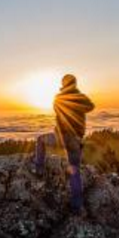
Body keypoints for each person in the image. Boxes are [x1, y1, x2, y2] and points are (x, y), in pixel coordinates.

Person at [34, 74, 95, 214]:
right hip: (76, 140)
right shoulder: (80, 97)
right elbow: (90, 106)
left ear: (63, 83)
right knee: (74, 171)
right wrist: (77, 95)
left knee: (40, 140)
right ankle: (77, 206)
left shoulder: (58, 98)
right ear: (74, 83)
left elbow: (57, 108)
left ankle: (39, 169)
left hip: (61, 137)